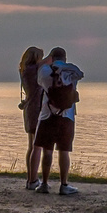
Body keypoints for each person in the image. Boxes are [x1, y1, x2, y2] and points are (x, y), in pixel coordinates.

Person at [33, 47, 84, 195]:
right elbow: (80, 75)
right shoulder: (72, 71)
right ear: (65, 58)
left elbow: (40, 80)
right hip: (66, 116)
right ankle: (64, 185)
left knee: (47, 151)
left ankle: (44, 183)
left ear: (51, 58)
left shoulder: (44, 72)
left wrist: (48, 63)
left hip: (47, 115)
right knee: (64, 151)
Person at [17, 47, 45, 189]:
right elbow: (47, 62)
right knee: (36, 146)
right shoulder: (32, 70)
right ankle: (32, 179)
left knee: (32, 145)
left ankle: (31, 179)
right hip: (35, 109)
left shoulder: (25, 70)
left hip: (30, 109)